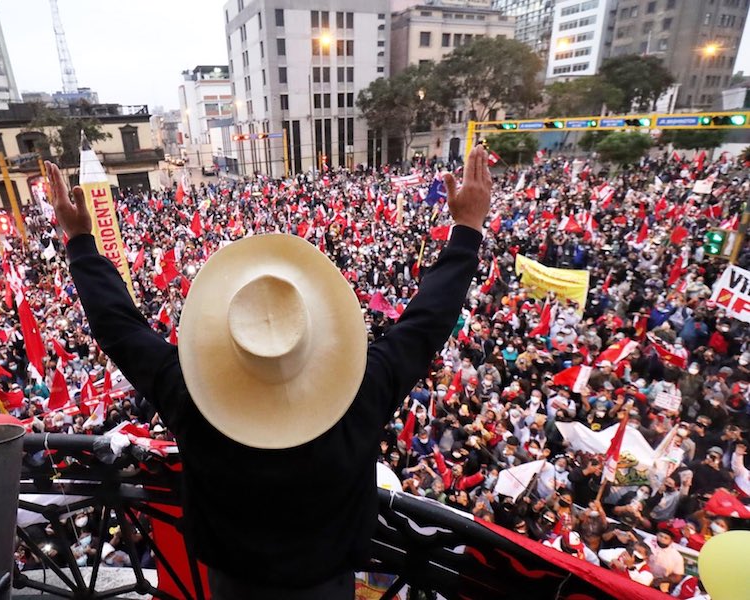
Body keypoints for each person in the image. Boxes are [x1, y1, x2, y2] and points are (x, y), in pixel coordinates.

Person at [48, 145, 492, 598]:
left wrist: (81, 242)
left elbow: (118, 327)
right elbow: (424, 325)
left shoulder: (189, 394)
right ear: (319, 330)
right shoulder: (363, 390)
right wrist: (467, 231)